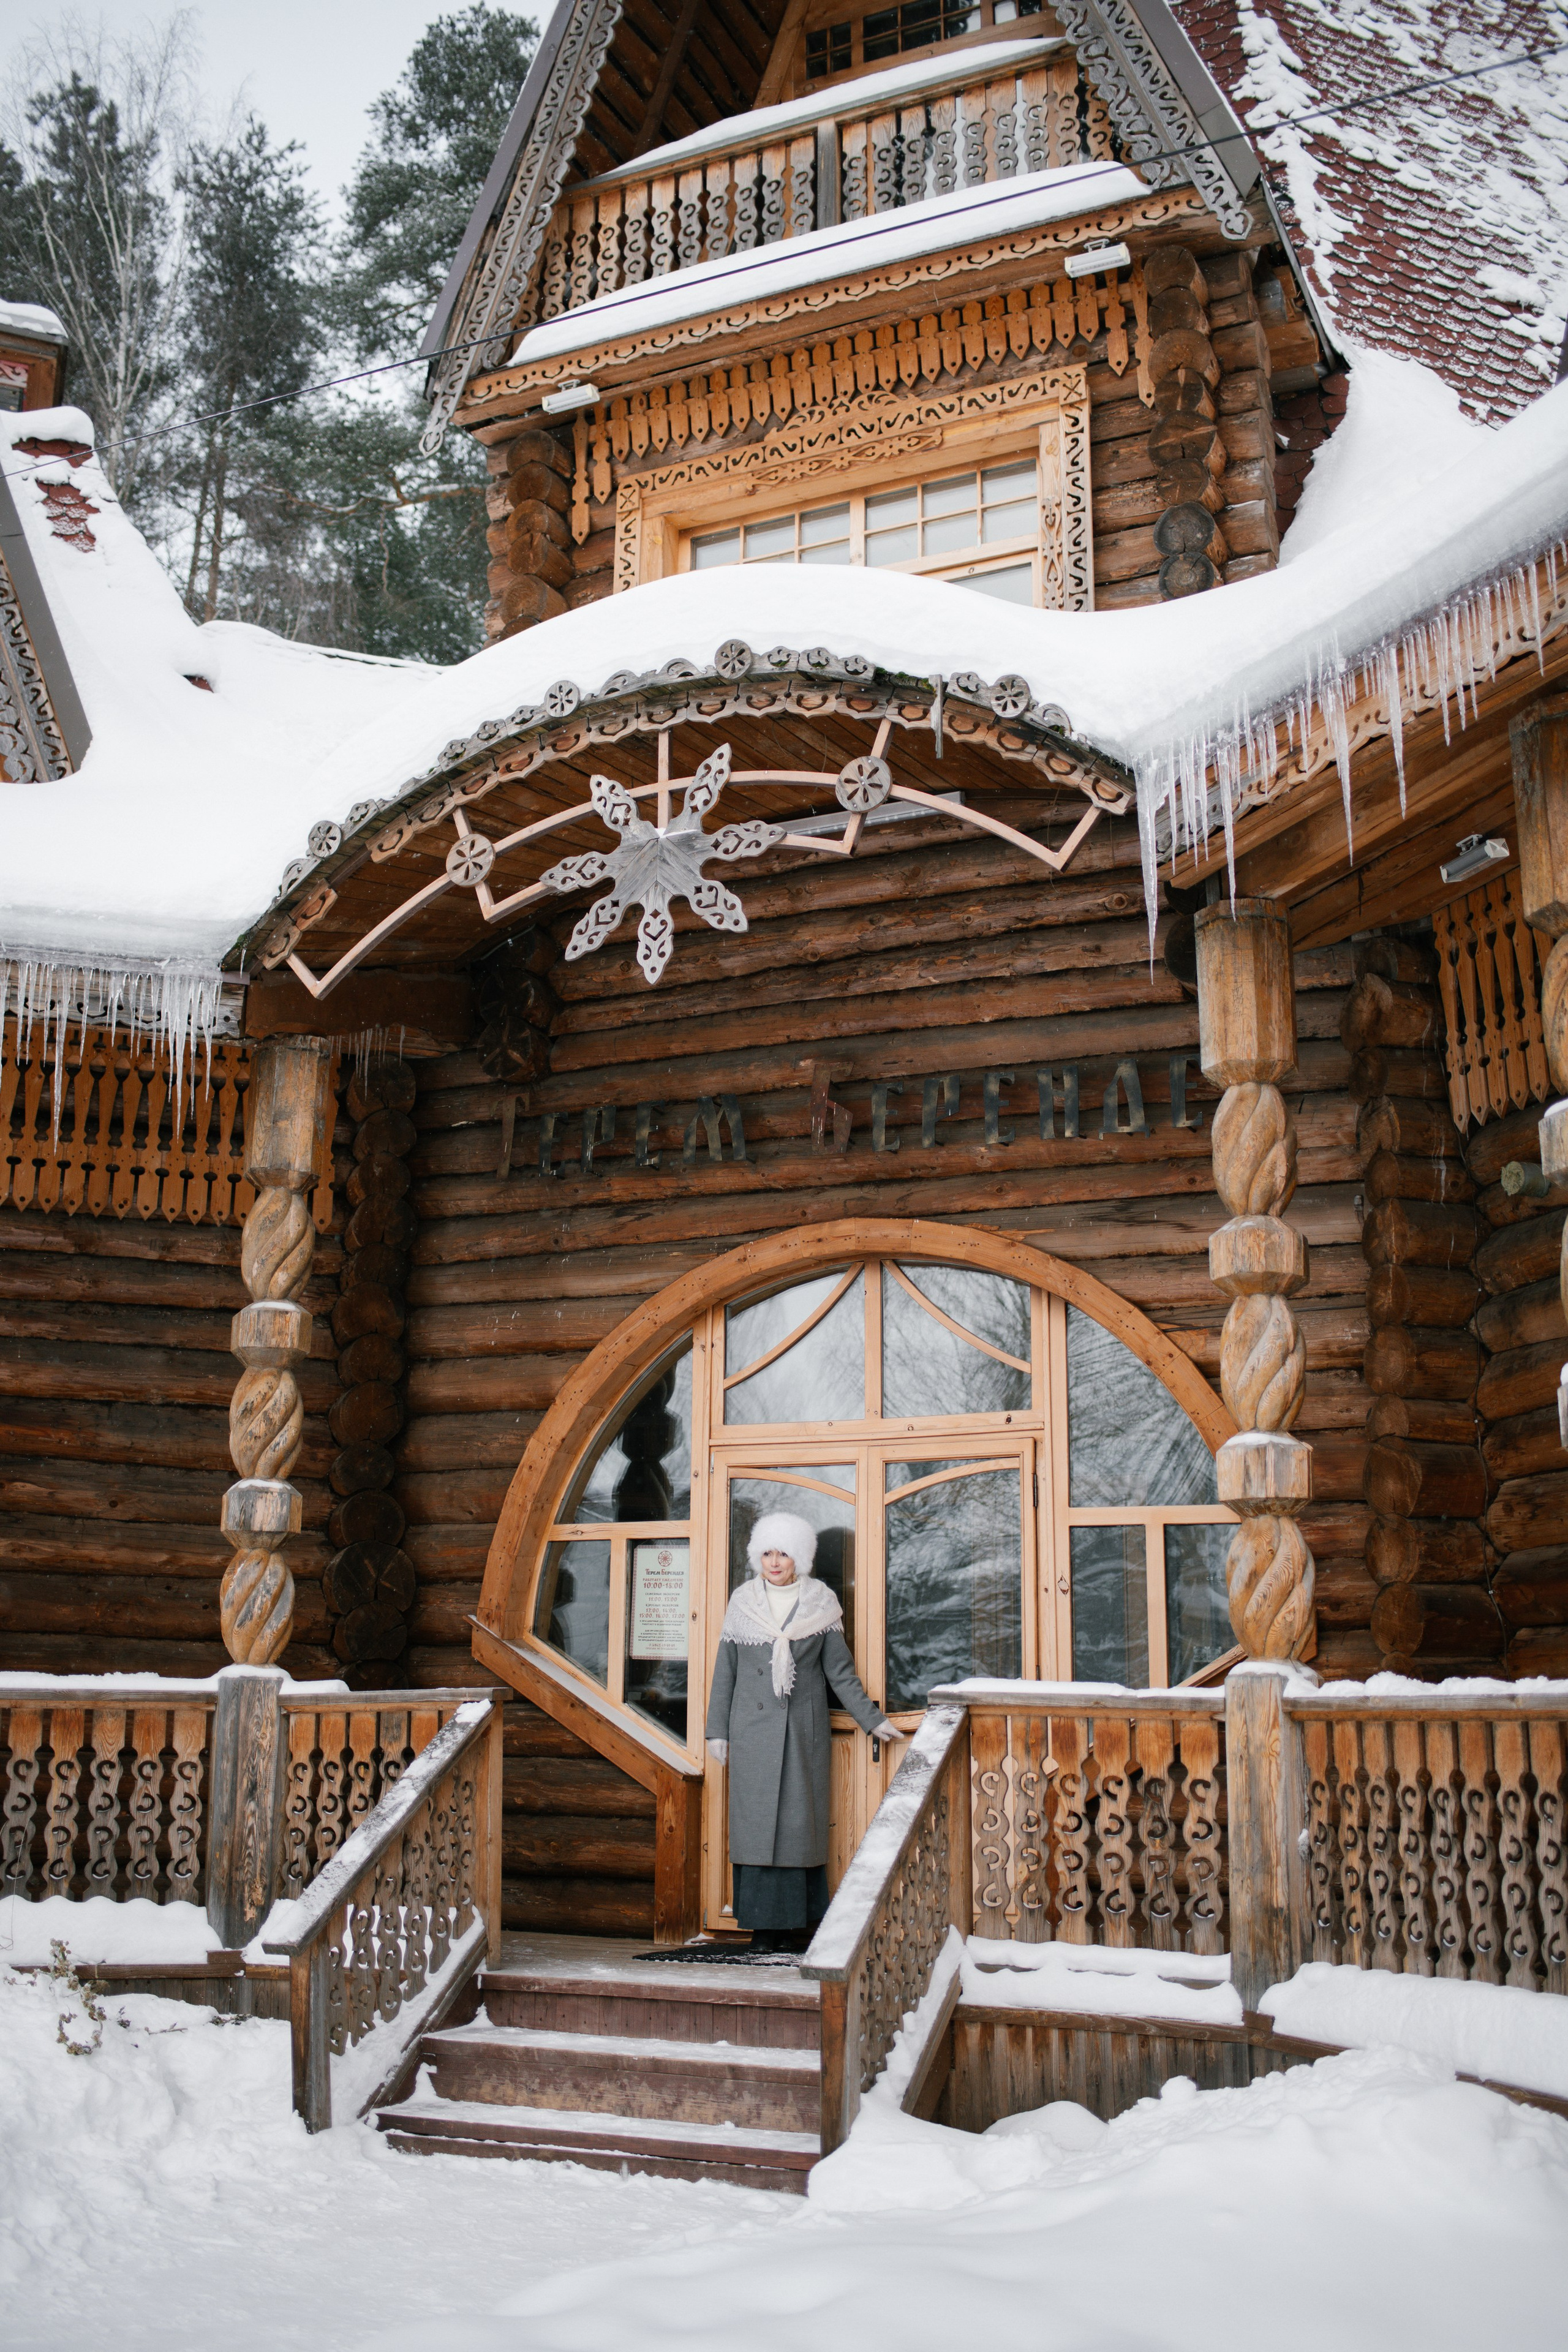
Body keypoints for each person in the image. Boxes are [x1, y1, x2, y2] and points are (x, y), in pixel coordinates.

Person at [705, 1510, 903, 1954]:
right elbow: (725, 1674)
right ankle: (760, 1929)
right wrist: (716, 1730)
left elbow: (841, 1673)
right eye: (768, 1553)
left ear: (801, 1559)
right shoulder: (742, 1602)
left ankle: (796, 1926)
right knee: (756, 1830)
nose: (775, 1562)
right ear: (758, 1556)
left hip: (802, 1735)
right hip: (751, 1734)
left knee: (797, 1830)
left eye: (784, 1554)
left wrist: (873, 1719)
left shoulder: (821, 1603)